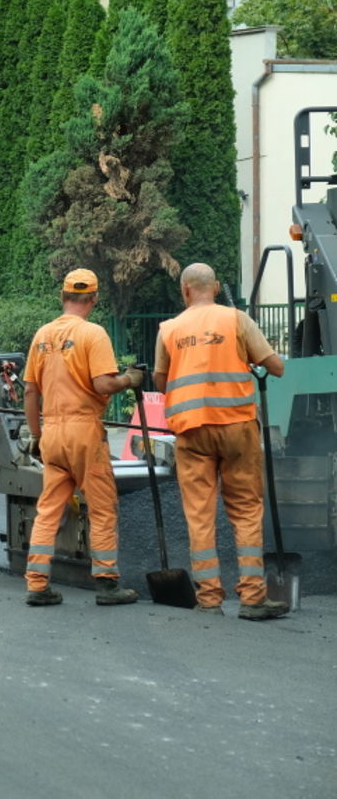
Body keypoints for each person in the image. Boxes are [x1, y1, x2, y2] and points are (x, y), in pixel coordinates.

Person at [153, 263, 288, 620]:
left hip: (191, 431)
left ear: (185, 290)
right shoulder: (237, 319)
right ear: (214, 287)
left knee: (199, 515)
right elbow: (276, 367)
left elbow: (160, 381)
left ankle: (210, 599)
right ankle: (253, 597)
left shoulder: (169, 329)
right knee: (245, 509)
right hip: (236, 427)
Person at [22, 269, 141, 607]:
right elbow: (104, 384)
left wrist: (35, 434)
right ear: (94, 298)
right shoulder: (93, 333)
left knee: (48, 510)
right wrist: (129, 379)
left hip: (52, 432)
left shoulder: (42, 335)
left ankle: (36, 583)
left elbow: (30, 391)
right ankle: (106, 582)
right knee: (102, 507)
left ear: (63, 297)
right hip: (84, 430)